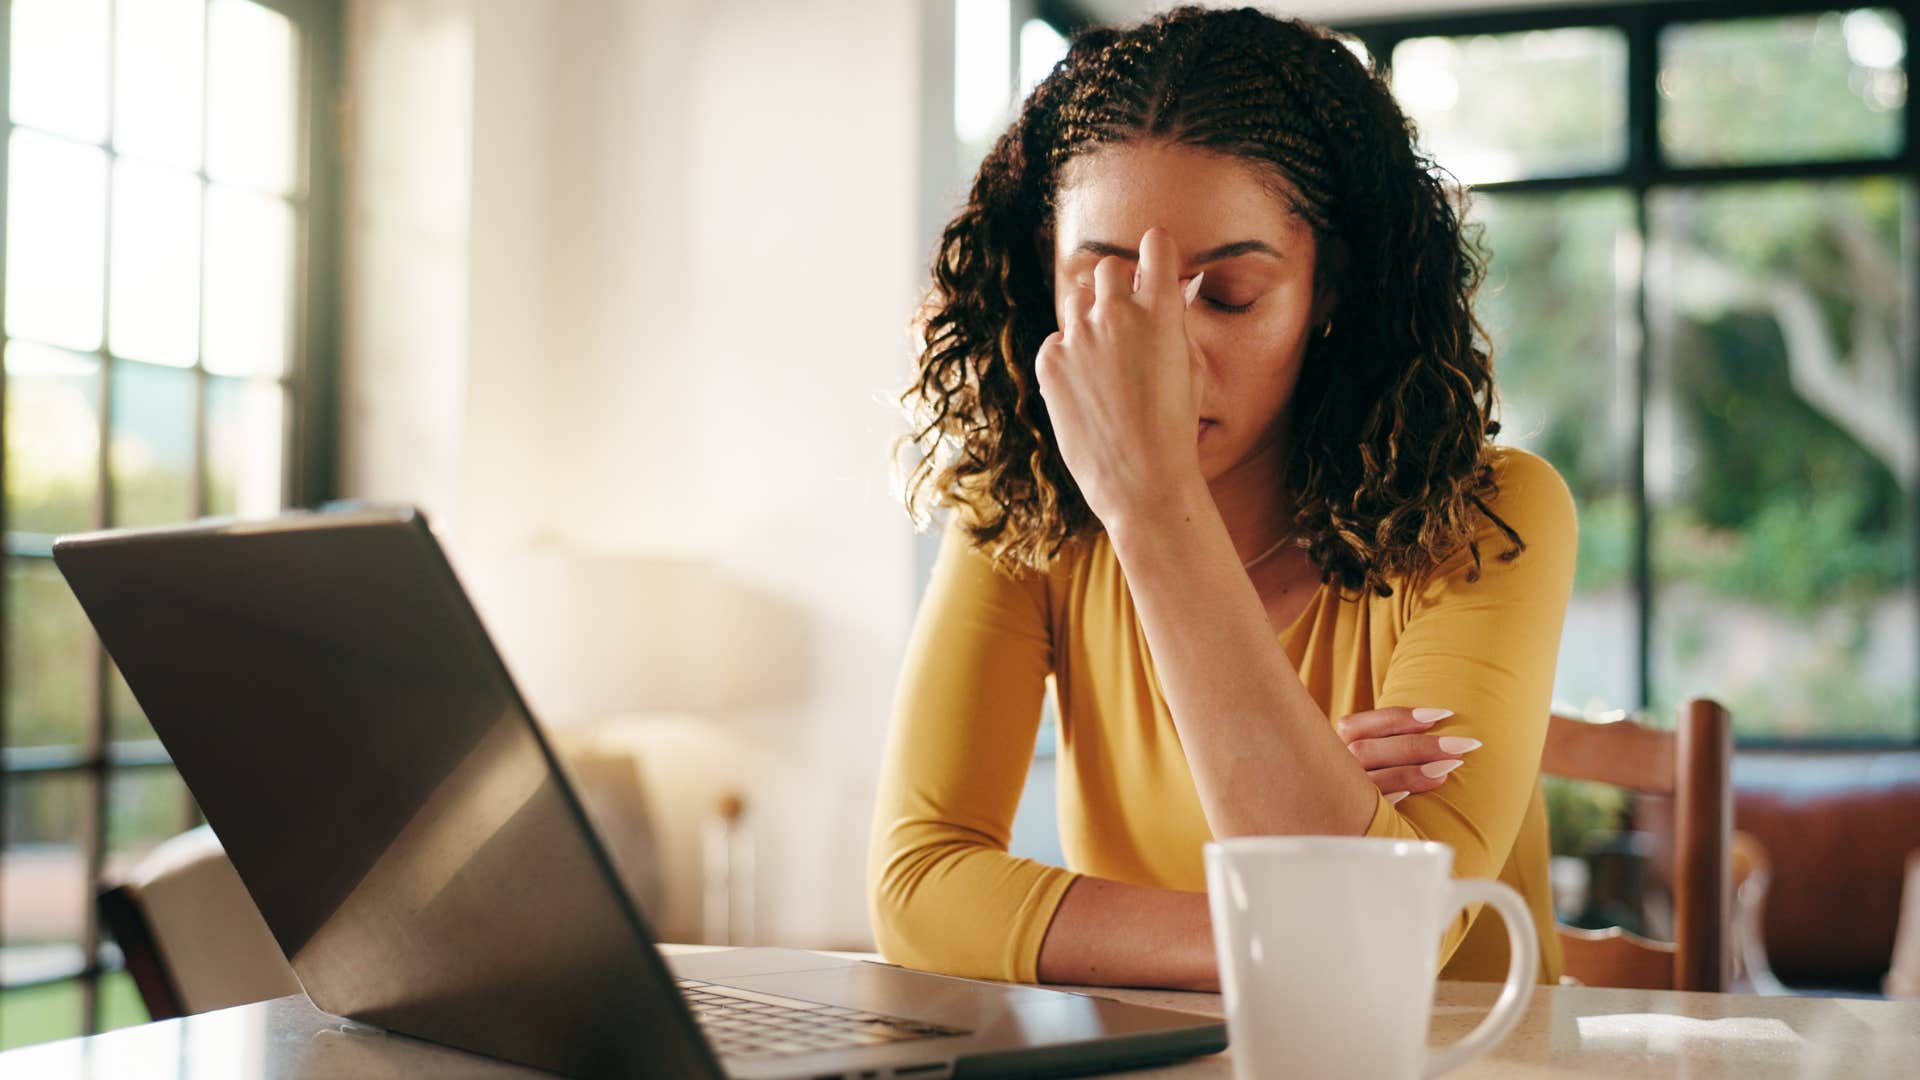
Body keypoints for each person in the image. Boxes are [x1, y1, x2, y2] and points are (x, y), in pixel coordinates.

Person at [870, 5, 1575, 991]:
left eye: (1229, 294)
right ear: (1046, 274)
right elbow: (919, 882)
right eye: (1107, 287)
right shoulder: (1030, 511)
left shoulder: (1490, 514)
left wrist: (1153, 508)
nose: (1162, 345)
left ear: (1327, 289)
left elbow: (1393, 952)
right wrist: (1281, 926)